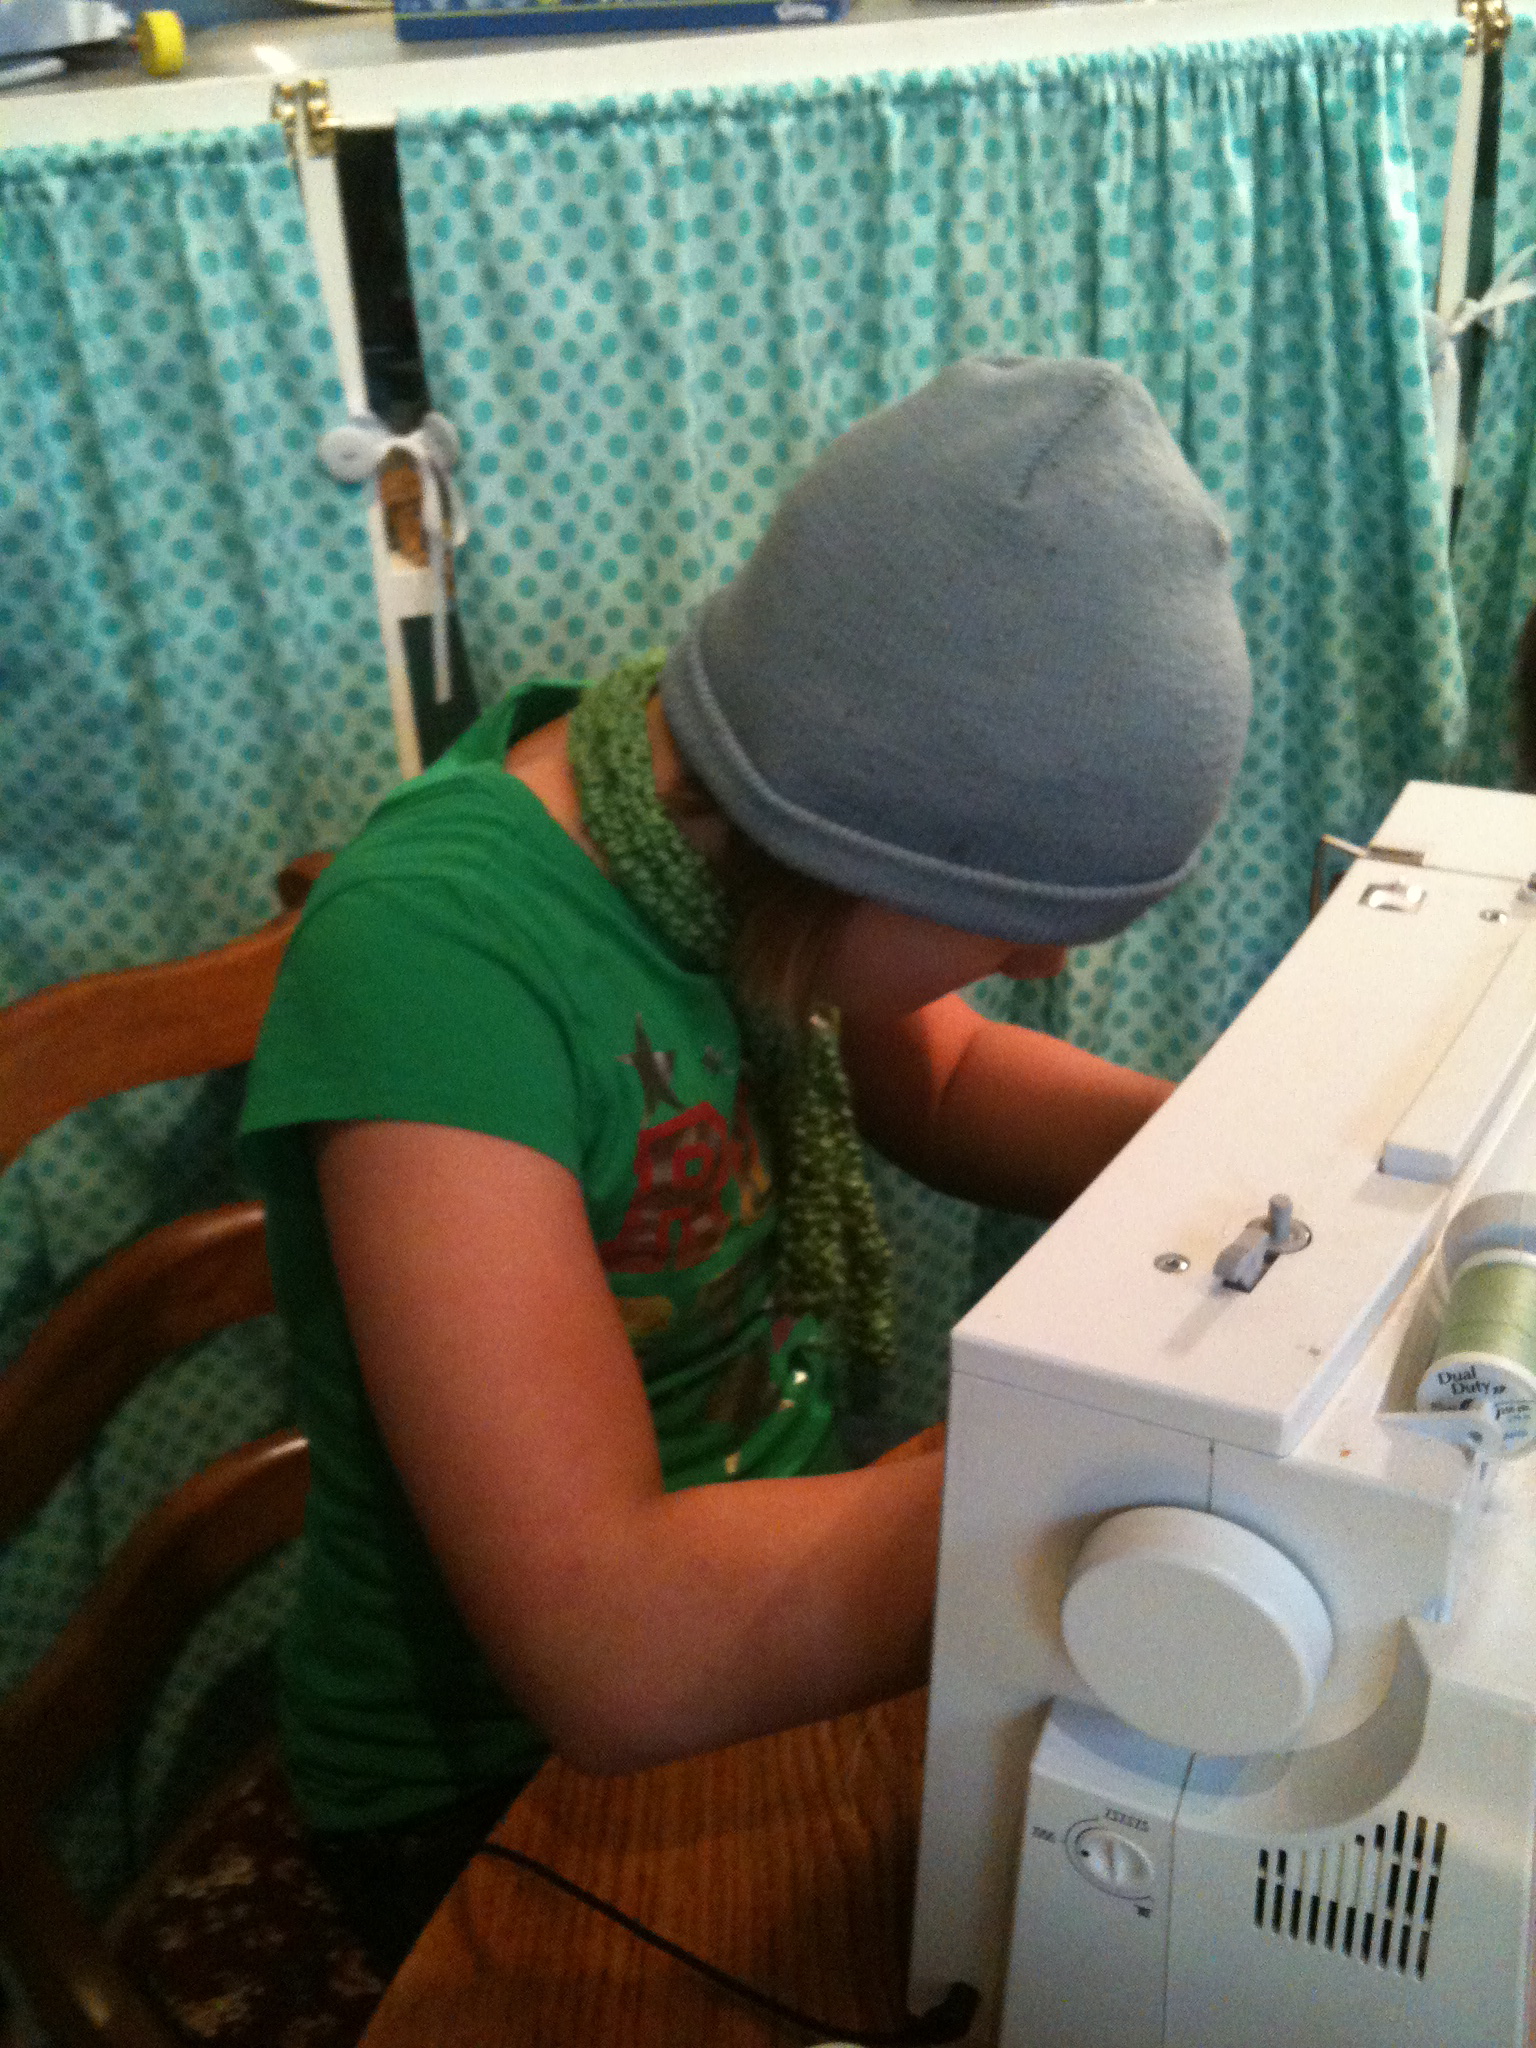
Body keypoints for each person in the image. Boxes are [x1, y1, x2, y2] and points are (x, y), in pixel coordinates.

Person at [239, 354, 1253, 1973]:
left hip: (754, 1569)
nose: (1042, 969)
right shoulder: (438, 962)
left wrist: (1243, 1161)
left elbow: (947, 1074)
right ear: (849, 841)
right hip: (499, 1777)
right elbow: (616, 1651)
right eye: (1010, 922)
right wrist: (1118, 1457)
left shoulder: (726, 824)